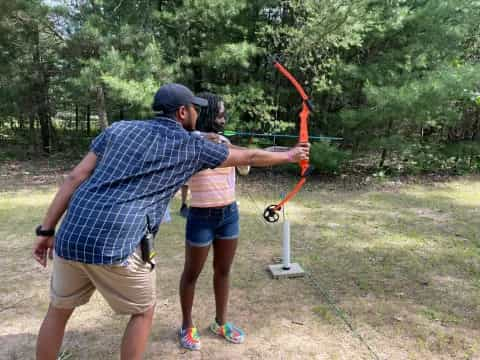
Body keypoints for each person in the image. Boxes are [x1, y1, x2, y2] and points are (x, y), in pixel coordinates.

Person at [32, 83, 310, 360]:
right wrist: (289, 155)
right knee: (142, 311)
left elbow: (74, 177)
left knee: (58, 310)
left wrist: (46, 230)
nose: (197, 115)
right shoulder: (190, 146)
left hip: (69, 234)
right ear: (182, 112)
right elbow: (248, 156)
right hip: (117, 244)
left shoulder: (119, 129)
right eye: (193, 109)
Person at [178, 92, 254, 350]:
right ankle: (187, 326)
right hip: (201, 215)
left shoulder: (224, 141)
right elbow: (183, 174)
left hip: (229, 215)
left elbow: (245, 167)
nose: (223, 118)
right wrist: (202, 142)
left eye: (224, 113)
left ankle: (221, 323)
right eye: (219, 113)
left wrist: (228, 146)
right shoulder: (188, 141)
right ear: (208, 114)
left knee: (223, 271)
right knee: (191, 273)